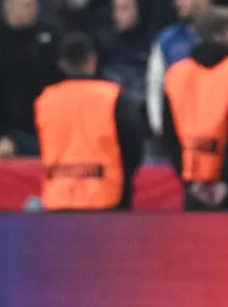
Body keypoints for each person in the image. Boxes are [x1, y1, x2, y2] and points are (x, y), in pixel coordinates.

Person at [34, 32, 146, 211]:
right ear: (92, 60)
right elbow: (133, 146)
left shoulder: (45, 100)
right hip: (107, 198)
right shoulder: (114, 97)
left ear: (62, 65)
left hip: (58, 198)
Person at [161, 7, 228, 211]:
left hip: (194, 188)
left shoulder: (176, 73)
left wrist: (190, 183)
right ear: (220, 35)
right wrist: (226, 180)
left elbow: (169, 134)